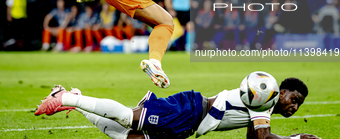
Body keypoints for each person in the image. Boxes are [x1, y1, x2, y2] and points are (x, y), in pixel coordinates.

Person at [35, 77, 320, 139]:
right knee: (128, 119)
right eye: (293, 99)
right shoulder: (265, 97)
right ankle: (68, 100)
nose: (294, 107)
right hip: (190, 109)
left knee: (130, 138)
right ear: (280, 92)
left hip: (189, 124)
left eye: (299, 104)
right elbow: (264, 137)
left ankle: (71, 96)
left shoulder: (263, 109)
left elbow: (256, 138)